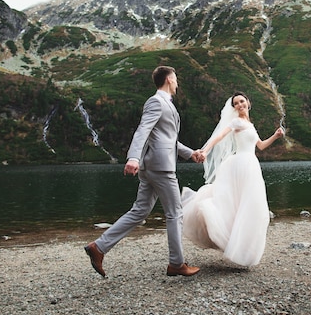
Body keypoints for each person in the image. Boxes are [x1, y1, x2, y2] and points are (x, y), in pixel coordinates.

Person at [85, 66, 204, 278]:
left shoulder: (166, 104)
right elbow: (143, 130)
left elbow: (167, 139)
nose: (177, 83)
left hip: (153, 166)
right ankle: (176, 263)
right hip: (161, 167)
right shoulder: (156, 102)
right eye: (175, 79)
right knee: (175, 213)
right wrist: (133, 157)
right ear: (168, 79)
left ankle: (99, 247)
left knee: (139, 211)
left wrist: (190, 153)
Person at [181, 91, 284, 267]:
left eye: (242, 101)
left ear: (248, 102)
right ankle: (237, 248)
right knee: (242, 204)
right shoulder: (236, 122)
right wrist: (205, 151)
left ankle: (245, 250)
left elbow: (260, 145)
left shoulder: (249, 124)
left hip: (251, 165)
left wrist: (275, 135)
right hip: (240, 165)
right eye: (236, 103)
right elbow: (220, 136)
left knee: (253, 206)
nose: (239, 105)